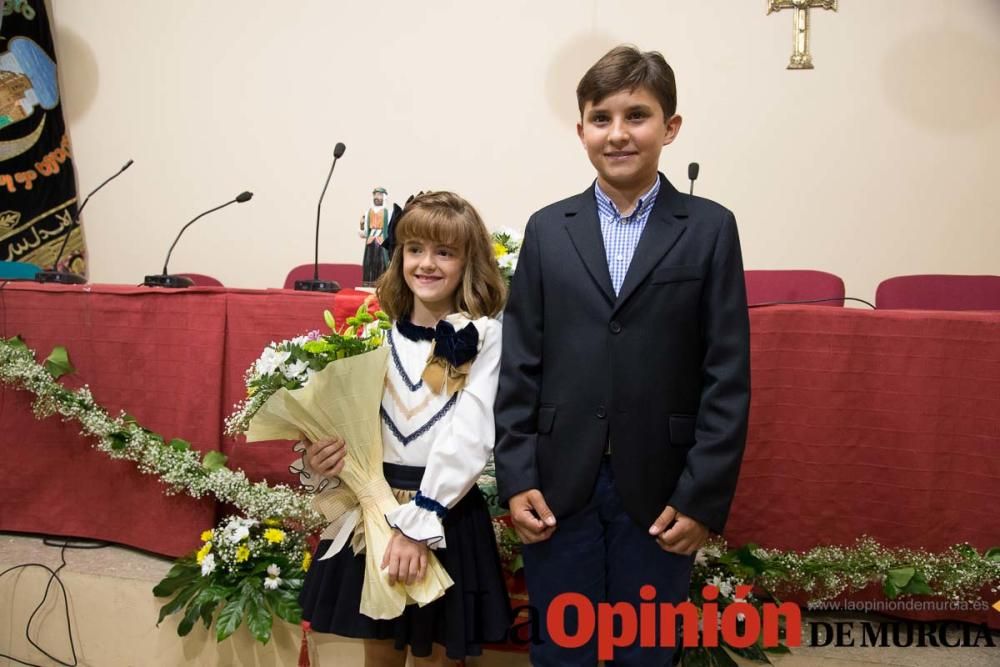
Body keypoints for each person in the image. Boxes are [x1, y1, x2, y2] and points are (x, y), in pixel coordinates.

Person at [494, 45, 751, 665]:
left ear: (670, 127)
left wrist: (701, 497)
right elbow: (520, 363)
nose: (618, 133)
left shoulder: (710, 228)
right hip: (558, 485)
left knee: (645, 651)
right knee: (562, 649)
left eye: (637, 115)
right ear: (580, 128)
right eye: (601, 117)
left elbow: (727, 375)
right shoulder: (550, 228)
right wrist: (517, 476)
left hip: (664, 490)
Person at [298, 191, 511, 665]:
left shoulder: (484, 336)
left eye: (444, 252)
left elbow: (471, 432)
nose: (426, 264)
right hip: (374, 509)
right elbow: (355, 425)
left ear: (467, 261)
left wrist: (420, 524)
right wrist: (322, 458)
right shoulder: (379, 331)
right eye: (414, 249)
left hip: (441, 515)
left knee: (437, 655)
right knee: (379, 655)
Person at [359, 187, 393, 285]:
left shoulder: (389, 213)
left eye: (379, 195)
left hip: (382, 241)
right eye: (375, 195)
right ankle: (368, 282)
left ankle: (382, 283)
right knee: (370, 262)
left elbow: (391, 229)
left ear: (384, 197)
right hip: (371, 241)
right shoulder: (368, 213)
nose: (377, 197)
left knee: (382, 262)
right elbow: (365, 232)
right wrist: (361, 225)